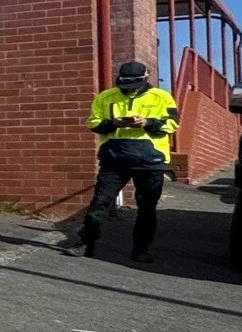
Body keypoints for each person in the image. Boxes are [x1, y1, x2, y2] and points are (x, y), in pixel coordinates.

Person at [72, 59, 179, 263]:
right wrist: (112, 123)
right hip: (114, 158)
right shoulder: (105, 97)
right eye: (125, 85)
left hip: (150, 160)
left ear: (146, 78)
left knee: (147, 207)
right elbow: (93, 123)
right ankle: (85, 243)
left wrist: (147, 122)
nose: (129, 89)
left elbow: (172, 123)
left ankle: (141, 249)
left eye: (134, 85)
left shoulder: (162, 97)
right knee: (100, 201)